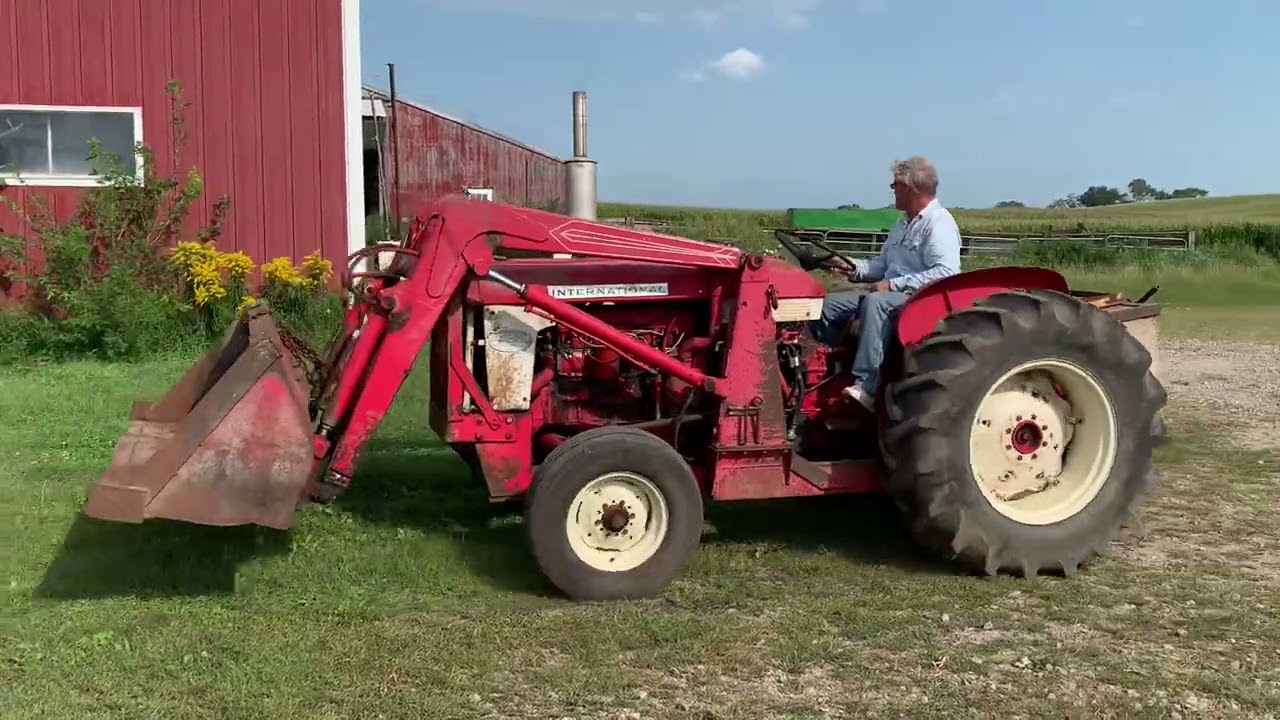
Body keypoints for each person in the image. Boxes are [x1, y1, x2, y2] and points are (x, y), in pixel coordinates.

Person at [808, 156, 962, 410]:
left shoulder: (939, 223)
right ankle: (831, 371)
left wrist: (893, 286)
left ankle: (867, 385)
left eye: (896, 185)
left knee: (875, 302)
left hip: (919, 298)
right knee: (825, 306)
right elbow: (883, 266)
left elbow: (946, 272)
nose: (892, 190)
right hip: (887, 292)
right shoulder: (902, 224)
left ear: (911, 188)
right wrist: (853, 267)